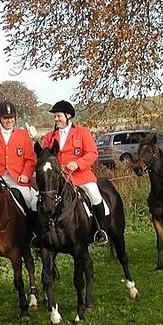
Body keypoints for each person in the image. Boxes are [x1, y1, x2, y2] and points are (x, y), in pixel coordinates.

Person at [41, 100, 108, 245]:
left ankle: (100, 231)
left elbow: (92, 153)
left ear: (68, 116)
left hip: (81, 176)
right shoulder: (49, 137)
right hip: (58, 179)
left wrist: (77, 163)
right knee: (41, 199)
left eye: (58, 116)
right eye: (55, 116)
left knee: (95, 195)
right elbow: (44, 157)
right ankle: (42, 233)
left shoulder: (82, 132)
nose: (56, 119)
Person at [0, 101, 39, 243]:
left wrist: (25, 174)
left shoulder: (23, 135)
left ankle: (33, 233)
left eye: (11, 118)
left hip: (18, 178)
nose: (9, 121)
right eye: (5, 118)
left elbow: (30, 159)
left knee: (30, 200)